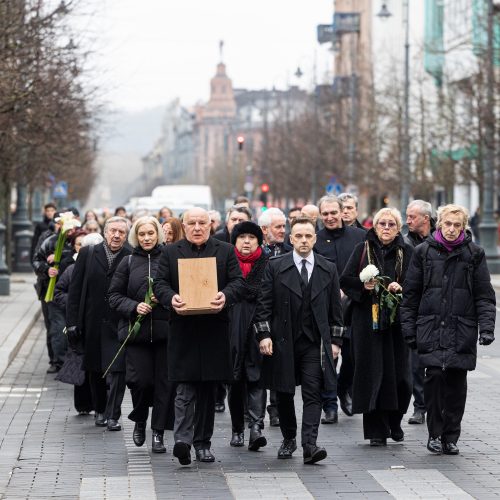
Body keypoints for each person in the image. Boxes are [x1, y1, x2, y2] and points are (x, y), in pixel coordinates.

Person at [401, 204, 495, 455]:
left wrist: (486, 328)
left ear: (463, 227)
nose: (452, 230)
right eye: (448, 224)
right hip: (430, 327)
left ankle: (451, 436)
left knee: (455, 384)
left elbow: (484, 296)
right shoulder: (422, 252)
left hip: (461, 328)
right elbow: (410, 296)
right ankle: (434, 433)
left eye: (457, 225)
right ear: (439, 224)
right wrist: (409, 330)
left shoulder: (474, 254)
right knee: (433, 380)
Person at [154, 207, 244, 465]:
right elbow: (159, 284)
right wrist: (171, 298)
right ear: (184, 225)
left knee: (207, 390)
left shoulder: (225, 251)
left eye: (201, 223)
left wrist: (225, 296)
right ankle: (183, 440)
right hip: (183, 329)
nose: (196, 227)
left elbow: (238, 283)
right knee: (184, 387)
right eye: (191, 223)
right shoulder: (170, 252)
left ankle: (203, 443)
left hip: (214, 329)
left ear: (210, 225)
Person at [253, 216, 344, 464]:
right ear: (291, 239)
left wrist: (336, 342)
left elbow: (336, 310)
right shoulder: (275, 266)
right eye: (299, 236)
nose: (303, 241)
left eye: (308, 236)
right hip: (283, 341)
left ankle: (309, 445)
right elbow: (264, 306)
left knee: (313, 392)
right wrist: (264, 335)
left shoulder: (328, 267)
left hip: (314, 342)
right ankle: (289, 438)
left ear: (314, 239)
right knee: (283, 392)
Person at [340, 207, 413, 446]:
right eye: (382, 223)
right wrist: (364, 288)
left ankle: (394, 421)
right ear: (375, 226)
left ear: (398, 227)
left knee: (401, 378)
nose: (386, 228)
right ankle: (376, 432)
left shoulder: (407, 251)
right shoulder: (362, 249)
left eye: (391, 224)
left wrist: (399, 289)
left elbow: (415, 284)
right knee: (373, 375)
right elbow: (346, 279)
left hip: (397, 323)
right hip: (367, 323)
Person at [109, 216, 175, 454]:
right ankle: (139, 419)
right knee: (140, 382)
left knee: (163, 385)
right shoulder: (126, 261)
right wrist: (134, 306)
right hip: (135, 335)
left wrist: (164, 298)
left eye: (151, 233)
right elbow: (114, 296)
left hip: (164, 334)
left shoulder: (169, 259)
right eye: (142, 234)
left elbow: (179, 291)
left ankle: (158, 433)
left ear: (158, 234)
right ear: (135, 237)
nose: (147, 238)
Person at [66, 216, 131, 431]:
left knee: (118, 370)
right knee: (95, 369)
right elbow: (75, 290)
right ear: (105, 232)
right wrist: (73, 321)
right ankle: (100, 410)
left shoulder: (131, 255)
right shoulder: (88, 253)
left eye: (121, 232)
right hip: (92, 320)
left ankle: (113, 414)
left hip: (119, 321)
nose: (116, 235)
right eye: (113, 230)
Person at [314, 195, 365, 423]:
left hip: (354, 306)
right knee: (328, 357)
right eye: (325, 214)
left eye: (333, 212)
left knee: (352, 356)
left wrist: (348, 288)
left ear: (341, 211)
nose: (330, 217)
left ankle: (344, 389)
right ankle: (330, 405)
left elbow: (367, 268)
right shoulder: (315, 239)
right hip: (325, 308)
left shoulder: (359, 237)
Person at [227, 221, 268, 451]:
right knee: (234, 381)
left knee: (256, 378)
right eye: (241, 237)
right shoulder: (226, 263)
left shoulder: (267, 264)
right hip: (231, 329)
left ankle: (256, 427)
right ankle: (237, 429)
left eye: (251, 238)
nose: (246, 242)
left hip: (257, 328)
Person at [54, 231, 100, 415]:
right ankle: (83, 404)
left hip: (99, 324)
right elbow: (60, 293)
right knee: (81, 364)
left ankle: (101, 405)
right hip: (79, 324)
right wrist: (75, 307)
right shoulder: (72, 270)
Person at [33, 213, 78, 372]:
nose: (69, 230)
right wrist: (47, 269)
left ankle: (69, 359)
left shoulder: (77, 241)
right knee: (55, 327)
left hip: (72, 292)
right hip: (50, 292)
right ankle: (57, 360)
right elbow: (36, 260)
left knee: (69, 327)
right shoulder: (50, 241)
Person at [404, 200, 435, 425]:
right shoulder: (405, 243)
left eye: (412, 217)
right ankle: (419, 407)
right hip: (415, 309)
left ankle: (434, 405)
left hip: (438, 309)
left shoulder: (440, 241)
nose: (408, 221)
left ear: (426, 218)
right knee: (415, 363)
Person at [258, 207, 290, 427]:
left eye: (284, 226)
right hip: (259, 311)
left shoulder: (290, 250)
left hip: (283, 314)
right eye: (278, 227)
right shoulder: (255, 252)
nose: (283, 231)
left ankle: (276, 407)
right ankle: (256, 415)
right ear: (264, 229)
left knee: (280, 362)